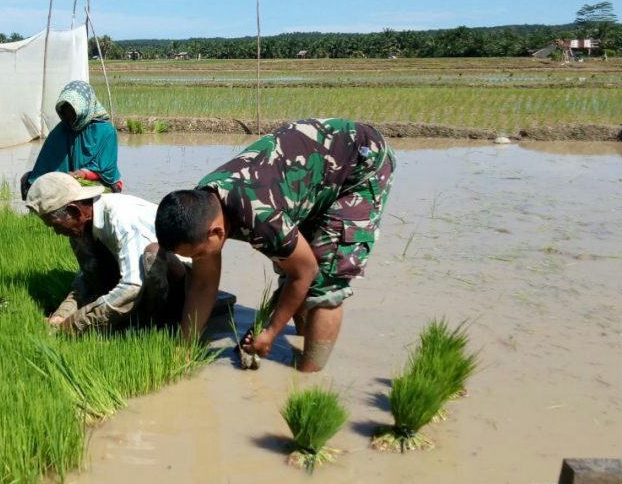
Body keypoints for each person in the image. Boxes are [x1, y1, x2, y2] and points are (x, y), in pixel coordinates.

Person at [155, 118, 394, 373]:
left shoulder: (262, 218)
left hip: (360, 162)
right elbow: (202, 286)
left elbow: (305, 272)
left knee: (324, 280)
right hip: (308, 177)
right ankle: (304, 335)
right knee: (293, 265)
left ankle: (308, 378)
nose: (200, 258)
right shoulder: (201, 209)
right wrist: (184, 347)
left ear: (217, 232)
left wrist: (269, 333)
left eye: (200, 254)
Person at [26, 172, 185, 334]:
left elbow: (132, 287)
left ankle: (156, 326)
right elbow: (86, 280)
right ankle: (132, 321)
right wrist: (61, 316)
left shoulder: (122, 219)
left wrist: (76, 323)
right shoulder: (80, 230)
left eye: (56, 225)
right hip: (144, 281)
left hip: (185, 280)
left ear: (75, 211)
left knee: (153, 254)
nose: (57, 232)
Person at [20, 80, 122, 200]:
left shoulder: (106, 132)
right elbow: (45, 166)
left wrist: (82, 174)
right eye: (65, 111)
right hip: (68, 183)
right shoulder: (61, 131)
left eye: (73, 111)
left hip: (102, 183)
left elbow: (107, 170)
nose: (69, 117)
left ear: (85, 109)